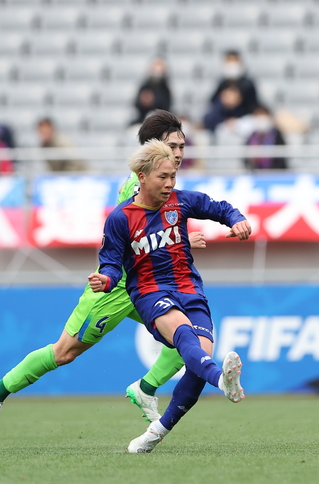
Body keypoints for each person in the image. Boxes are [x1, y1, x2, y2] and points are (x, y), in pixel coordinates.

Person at [0, 111, 206, 435]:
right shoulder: (136, 188)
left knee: (188, 338)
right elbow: (133, 239)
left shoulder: (166, 185)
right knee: (64, 352)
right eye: (172, 146)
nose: (179, 153)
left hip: (148, 286)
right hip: (117, 287)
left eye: (182, 146)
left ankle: (145, 389)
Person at [89, 140, 251, 453]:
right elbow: (110, 263)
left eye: (173, 176)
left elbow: (218, 207)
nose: (169, 183)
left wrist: (237, 219)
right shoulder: (121, 218)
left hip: (189, 289)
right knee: (185, 336)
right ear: (142, 176)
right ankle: (222, 381)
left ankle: (154, 433)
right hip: (150, 291)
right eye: (162, 177)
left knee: (197, 362)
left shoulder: (181, 202)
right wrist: (106, 280)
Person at [202, 50, 259, 131]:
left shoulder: (248, 84)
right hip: (223, 122)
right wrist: (224, 102)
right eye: (229, 61)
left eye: (234, 61)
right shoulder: (222, 84)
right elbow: (213, 106)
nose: (232, 65)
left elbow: (254, 106)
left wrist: (239, 100)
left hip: (243, 121)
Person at [244, 105, 288, 171]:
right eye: (258, 116)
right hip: (255, 171)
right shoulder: (252, 136)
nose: (261, 120)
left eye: (263, 116)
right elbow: (245, 155)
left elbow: (281, 155)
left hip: (275, 172)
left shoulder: (276, 134)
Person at [133, 57, 173, 125]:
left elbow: (167, 107)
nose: (157, 73)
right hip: (142, 120)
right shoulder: (144, 87)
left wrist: (154, 101)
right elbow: (137, 105)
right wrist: (143, 102)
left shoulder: (165, 89)